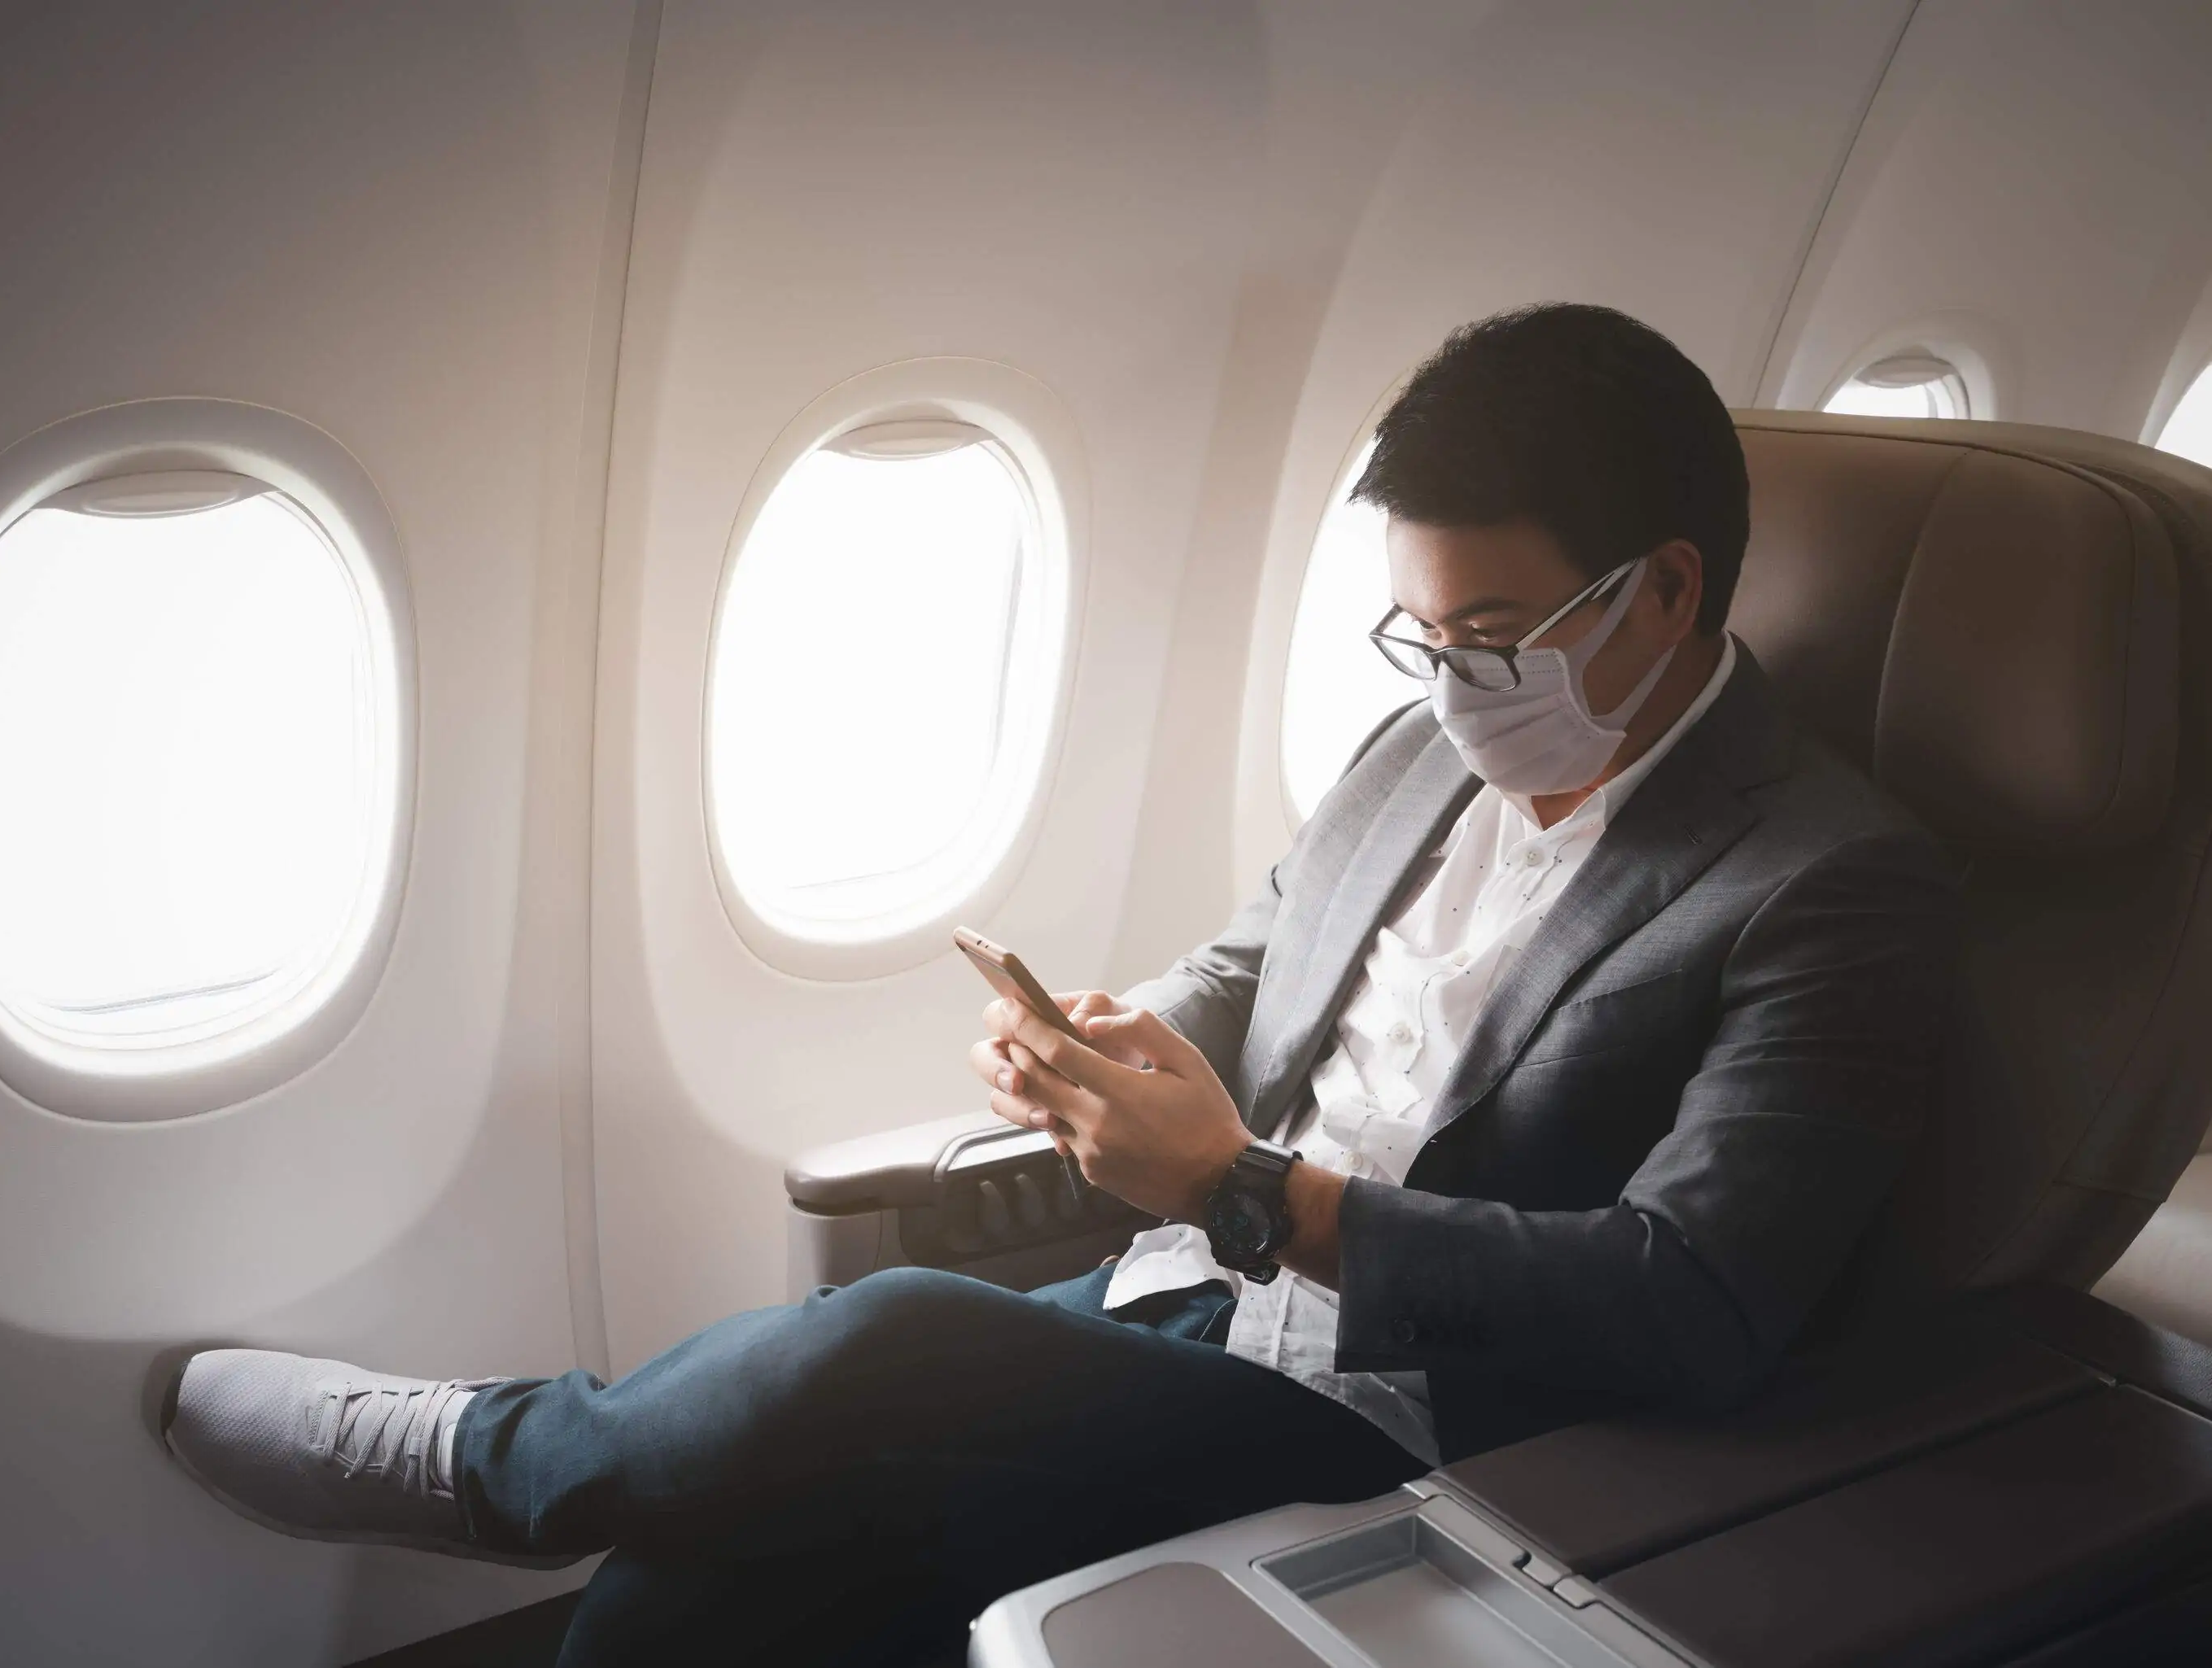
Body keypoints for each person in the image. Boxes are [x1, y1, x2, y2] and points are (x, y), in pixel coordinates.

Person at [158, 303, 1956, 1666]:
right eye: (1420, 634)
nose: (1449, 682)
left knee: (887, 1335)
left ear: (1659, 595)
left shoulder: (1829, 883)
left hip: (1403, 1424)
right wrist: (1123, 1047)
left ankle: (496, 1458)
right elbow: (1265, 958)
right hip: (1176, 1309)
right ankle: (564, 1487)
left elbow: (1690, 1300)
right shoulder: (1420, 747)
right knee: (703, 1564)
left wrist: (1254, 1191)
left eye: (1491, 640)